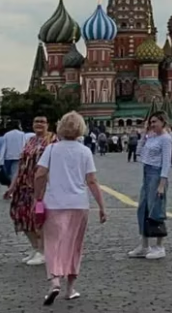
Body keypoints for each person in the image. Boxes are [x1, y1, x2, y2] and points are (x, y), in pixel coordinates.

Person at [34, 112, 107, 305]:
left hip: (55, 204)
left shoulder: (51, 149)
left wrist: (37, 196)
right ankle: (71, 288)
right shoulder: (85, 151)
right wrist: (101, 206)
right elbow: (92, 180)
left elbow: (40, 174)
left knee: (53, 244)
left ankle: (55, 282)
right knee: (74, 246)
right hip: (79, 204)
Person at [4, 116, 57, 266]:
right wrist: (12, 186)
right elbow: (21, 165)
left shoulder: (53, 141)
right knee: (21, 216)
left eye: (42, 122)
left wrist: (46, 187)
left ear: (48, 124)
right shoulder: (31, 140)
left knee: (39, 218)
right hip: (23, 187)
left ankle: (43, 251)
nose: (39, 124)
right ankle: (35, 248)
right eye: (36, 122)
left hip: (41, 188)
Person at [129, 111, 172, 260]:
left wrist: (162, 184)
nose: (152, 124)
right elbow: (139, 152)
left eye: (155, 122)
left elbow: (166, 163)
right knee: (143, 209)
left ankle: (160, 246)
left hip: (157, 174)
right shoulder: (151, 137)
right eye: (151, 122)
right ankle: (144, 245)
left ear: (163, 122)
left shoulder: (166, 139)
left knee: (156, 210)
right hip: (146, 173)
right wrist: (143, 135)